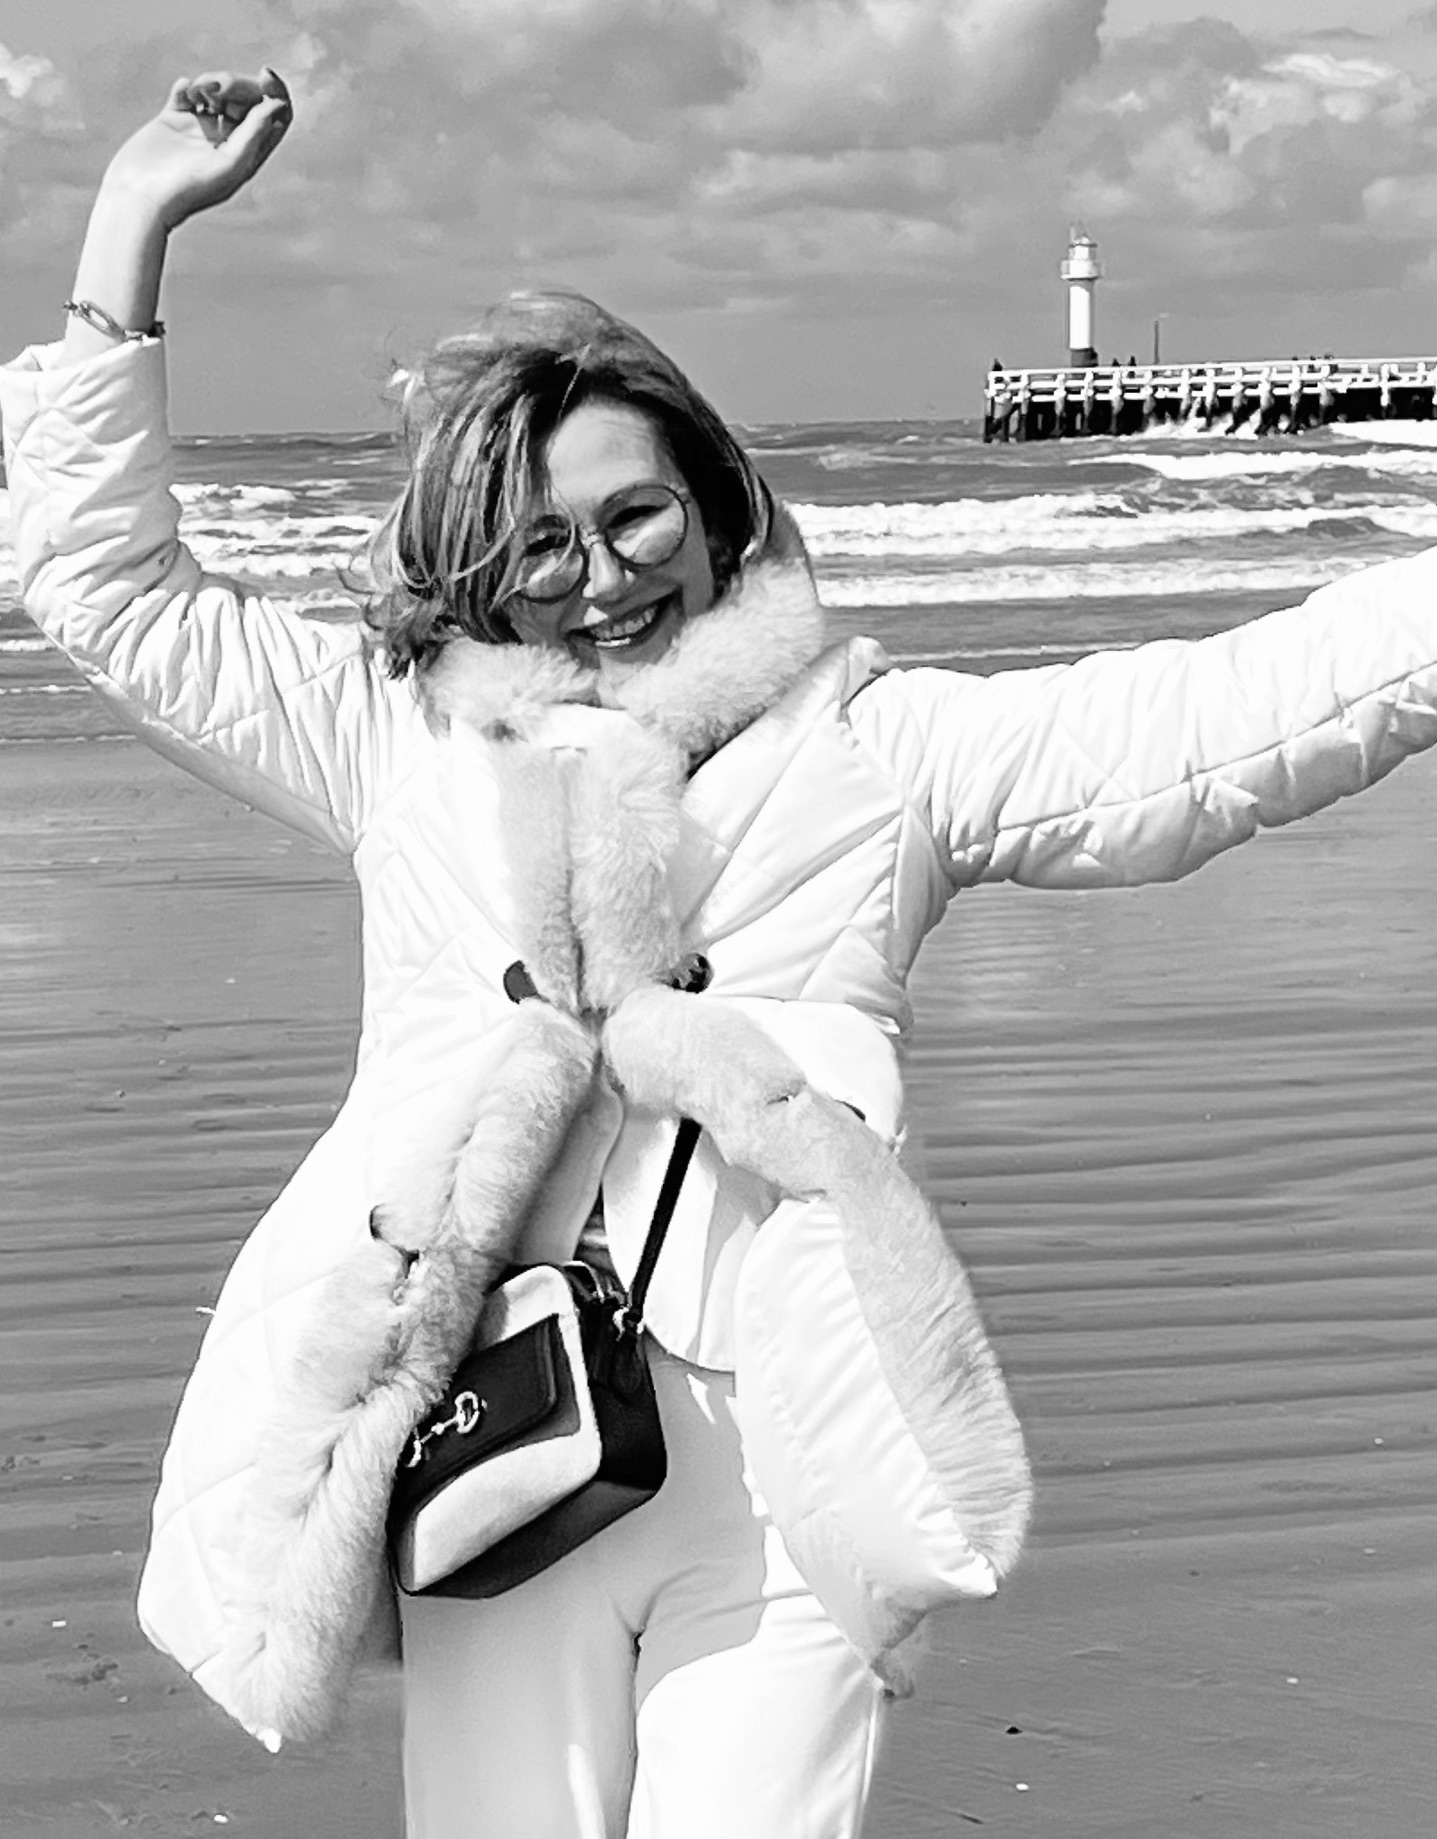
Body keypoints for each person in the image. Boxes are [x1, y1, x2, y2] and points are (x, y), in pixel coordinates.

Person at [5, 69, 1437, 1839]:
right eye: (541, 544)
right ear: (480, 563)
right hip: (500, 1435)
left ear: (716, 501)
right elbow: (107, 586)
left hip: (785, 1467)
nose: (601, 577)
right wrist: (131, 225)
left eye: (637, 515)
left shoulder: (871, 757)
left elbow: (1220, 725)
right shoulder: (408, 750)